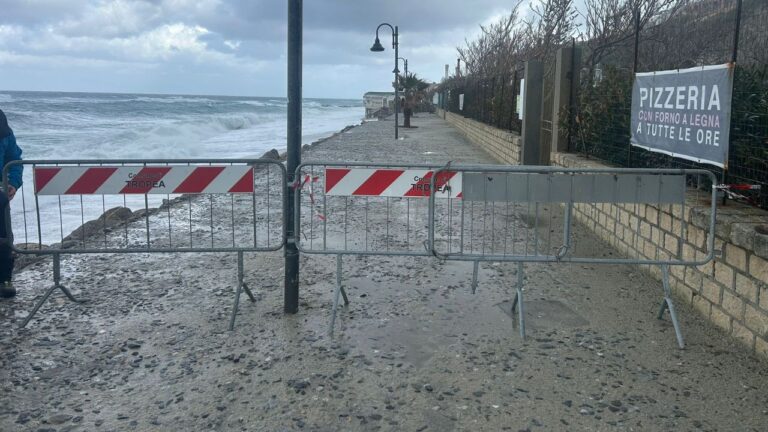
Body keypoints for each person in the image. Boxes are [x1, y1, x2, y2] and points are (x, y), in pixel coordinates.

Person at [0, 109, 23, 298]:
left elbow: (14, 159)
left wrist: (14, 182)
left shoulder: (2, 124)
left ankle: (4, 279)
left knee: (4, 237)